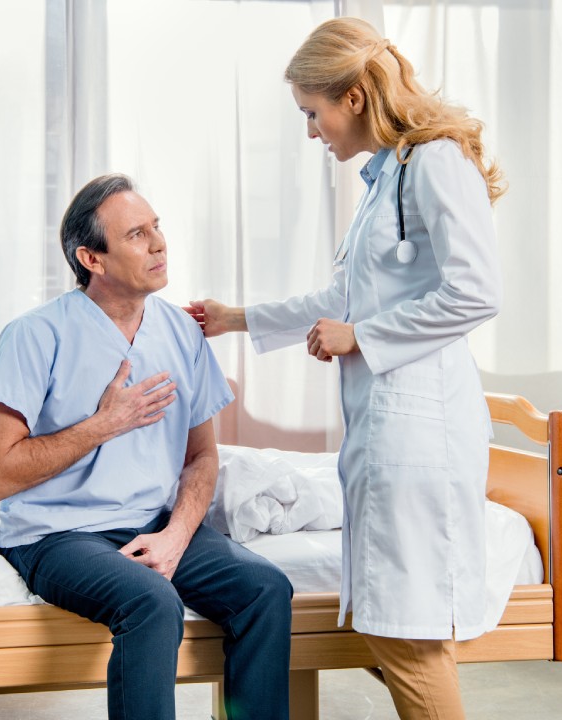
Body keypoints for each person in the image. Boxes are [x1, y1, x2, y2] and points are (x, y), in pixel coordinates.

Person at [185, 18, 503, 720]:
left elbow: (476, 291)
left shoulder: (436, 162)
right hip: (388, 432)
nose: (311, 132)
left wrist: (362, 337)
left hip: (422, 436)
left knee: (409, 640)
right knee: (396, 633)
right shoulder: (389, 177)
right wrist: (236, 318)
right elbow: (343, 298)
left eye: (312, 112)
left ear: (353, 97)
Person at [0, 173, 292, 720]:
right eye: (137, 234)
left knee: (265, 588)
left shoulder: (182, 332)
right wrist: (103, 424)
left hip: (152, 521)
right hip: (54, 534)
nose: (159, 243)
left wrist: (175, 536)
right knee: (150, 602)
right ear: (91, 260)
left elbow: (201, 457)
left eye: (157, 227)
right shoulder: (34, 335)